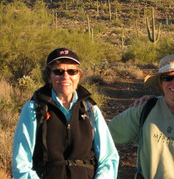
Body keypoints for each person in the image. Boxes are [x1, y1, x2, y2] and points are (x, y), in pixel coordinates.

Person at [12, 47, 119, 179]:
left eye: (72, 71)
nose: (65, 77)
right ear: (49, 77)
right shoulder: (34, 108)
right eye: (58, 71)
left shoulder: (90, 108)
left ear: (79, 76)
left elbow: (108, 157)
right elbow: (21, 163)